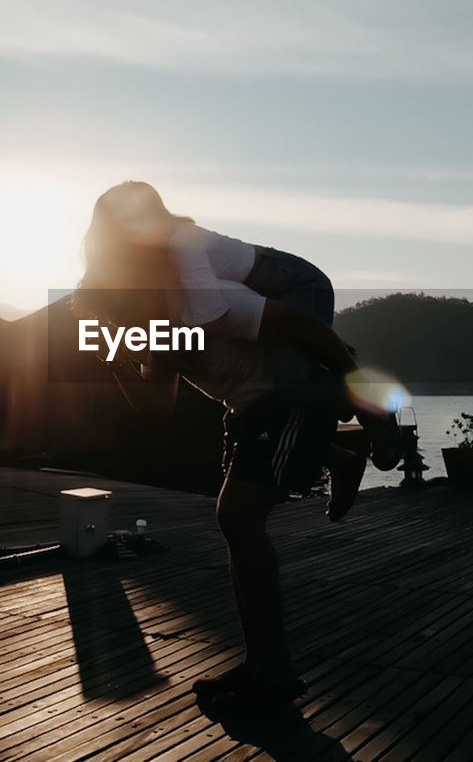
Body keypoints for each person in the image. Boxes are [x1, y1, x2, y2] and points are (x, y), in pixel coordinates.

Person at [75, 181, 398, 712]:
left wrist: (368, 402)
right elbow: (157, 407)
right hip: (250, 407)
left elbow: (300, 322)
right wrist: (115, 361)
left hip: (285, 398)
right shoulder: (157, 331)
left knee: (239, 518)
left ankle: (273, 669)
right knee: (237, 524)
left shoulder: (202, 295)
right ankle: (262, 662)